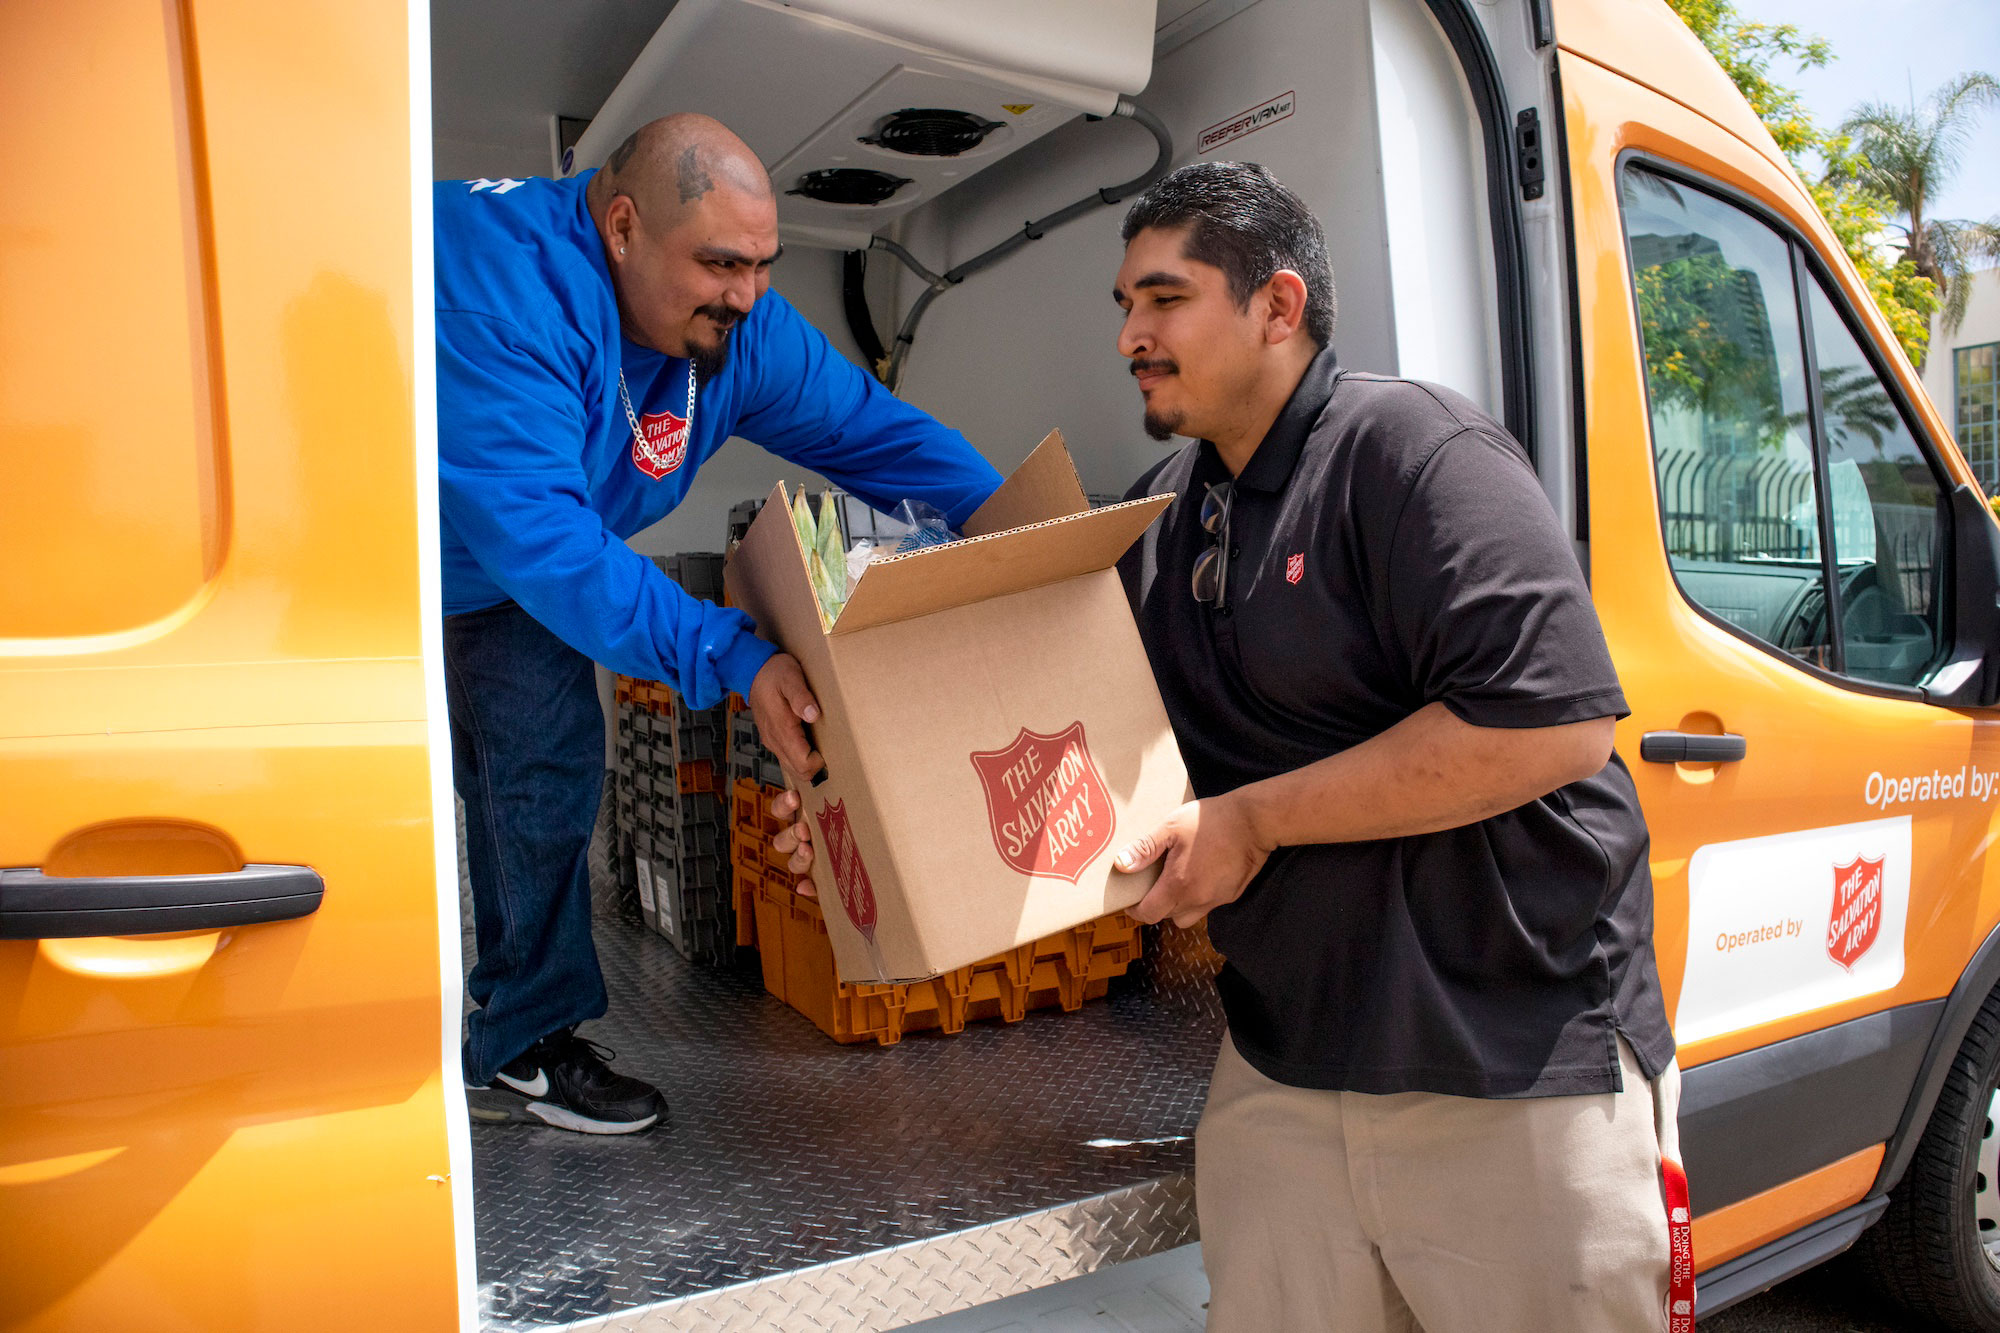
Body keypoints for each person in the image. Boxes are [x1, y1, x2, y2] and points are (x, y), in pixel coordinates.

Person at [775, 160, 1683, 1330]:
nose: (1129, 336)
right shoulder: (1161, 517)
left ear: (1277, 306)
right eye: (1123, 306)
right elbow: (1080, 761)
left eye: (1163, 299)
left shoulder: (1412, 454)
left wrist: (1251, 818)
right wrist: (866, 832)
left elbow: (1547, 728)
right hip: (1284, 1070)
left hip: (1508, 1069)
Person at [435, 114, 1000, 1134]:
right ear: (619, 227)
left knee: (544, 770)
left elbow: (878, 436)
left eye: (762, 265)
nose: (744, 292)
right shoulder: (505, 297)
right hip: (382, 549)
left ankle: (516, 1043)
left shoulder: (741, 330)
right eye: (718, 264)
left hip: (509, 566)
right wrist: (733, 653)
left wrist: (1022, 532)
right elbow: (550, 547)